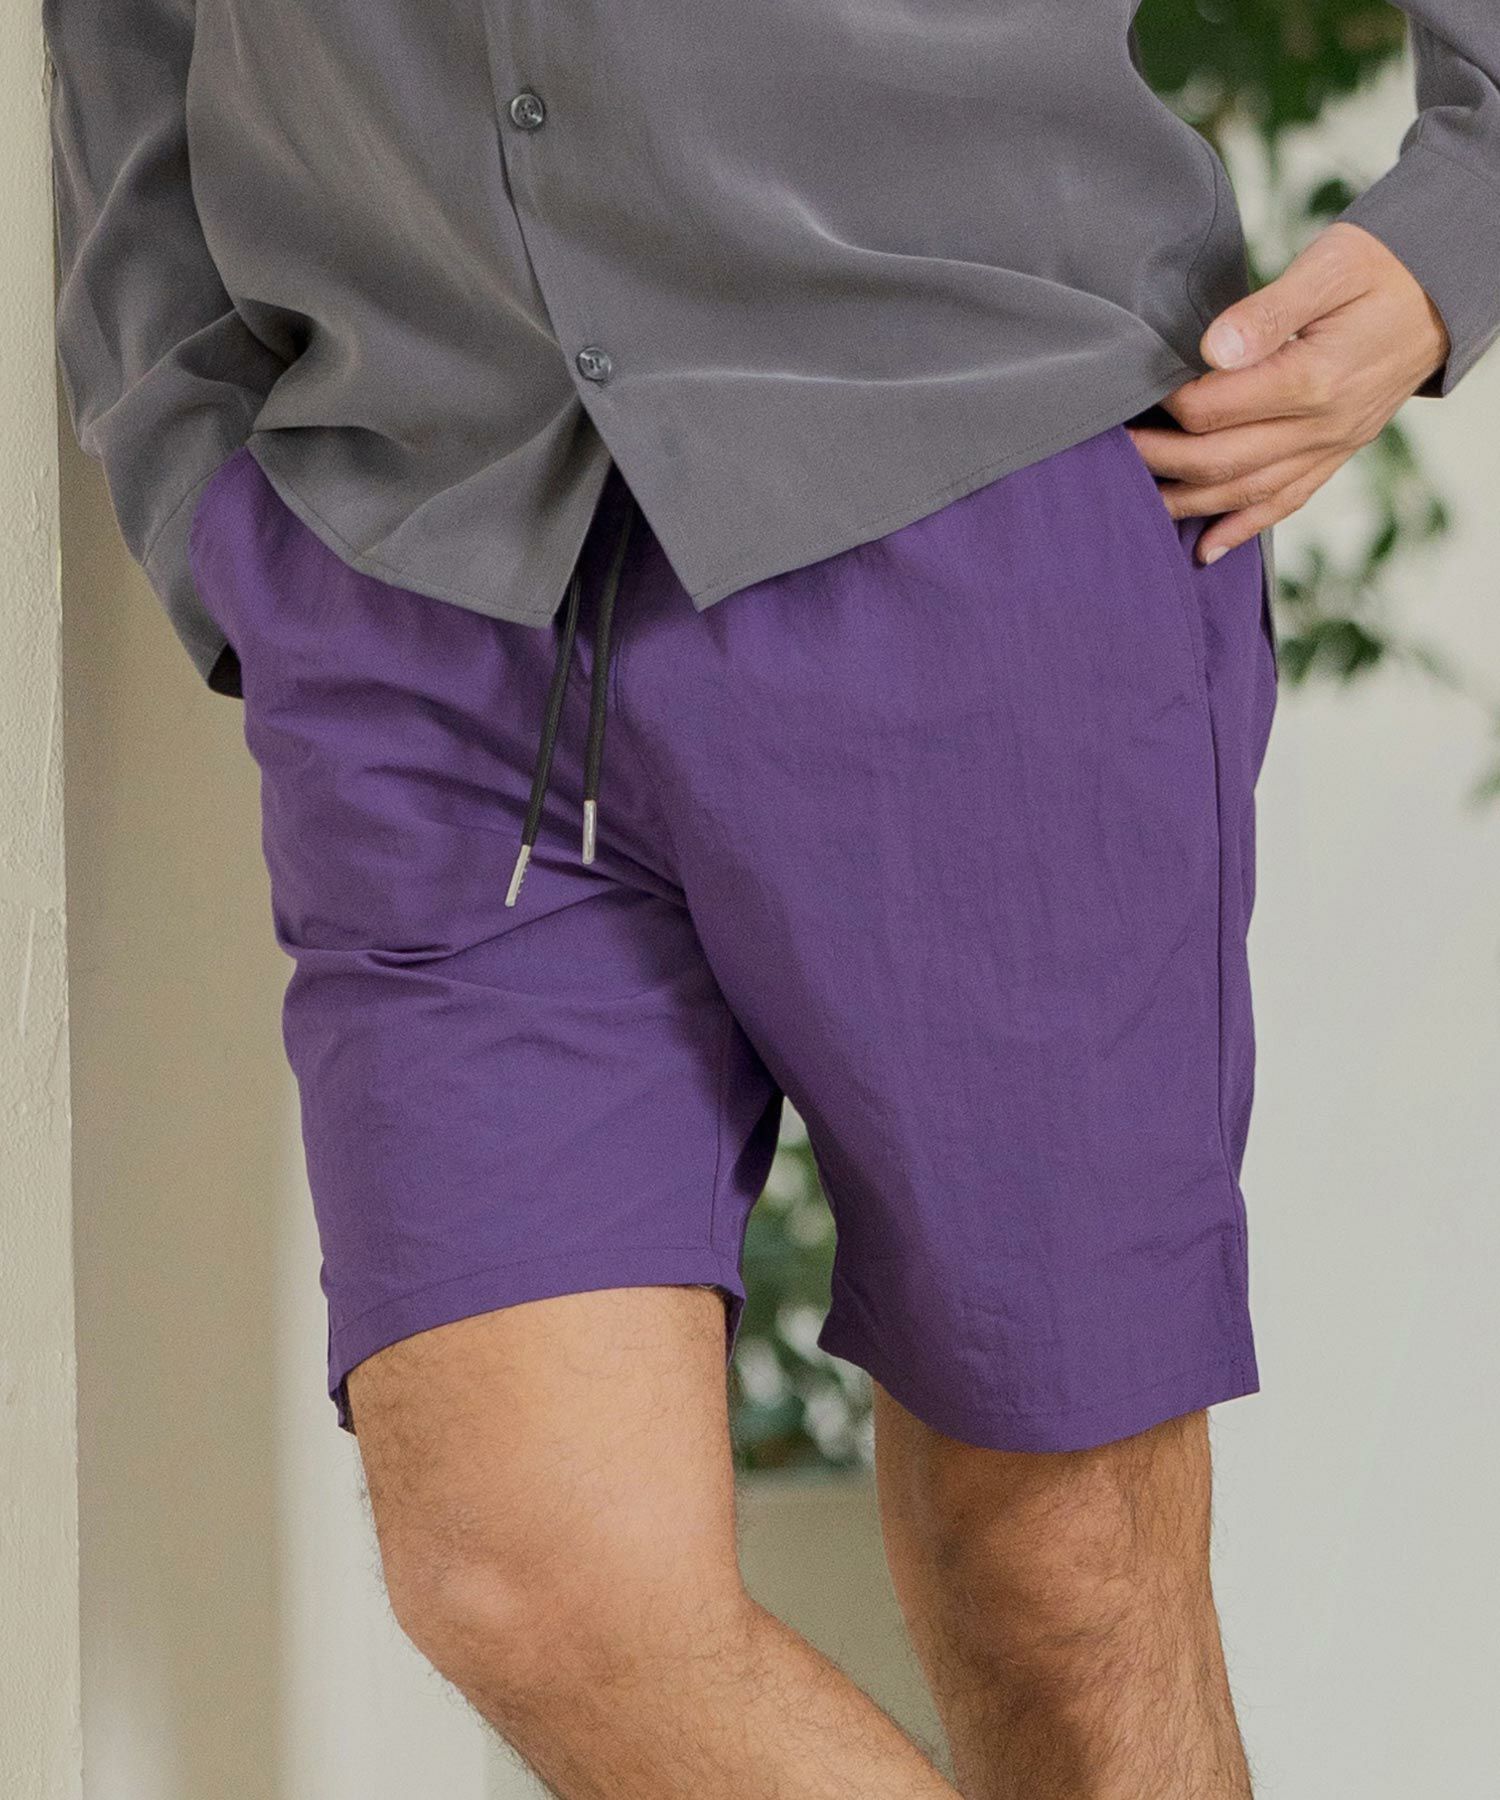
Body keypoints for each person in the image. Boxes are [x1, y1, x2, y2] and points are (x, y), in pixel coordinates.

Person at [42, 2, 1494, 1792]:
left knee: (1060, 1577)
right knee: (528, 1580)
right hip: (418, 573)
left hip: (971, 484)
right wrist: (190, 451)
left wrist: (1463, 216)